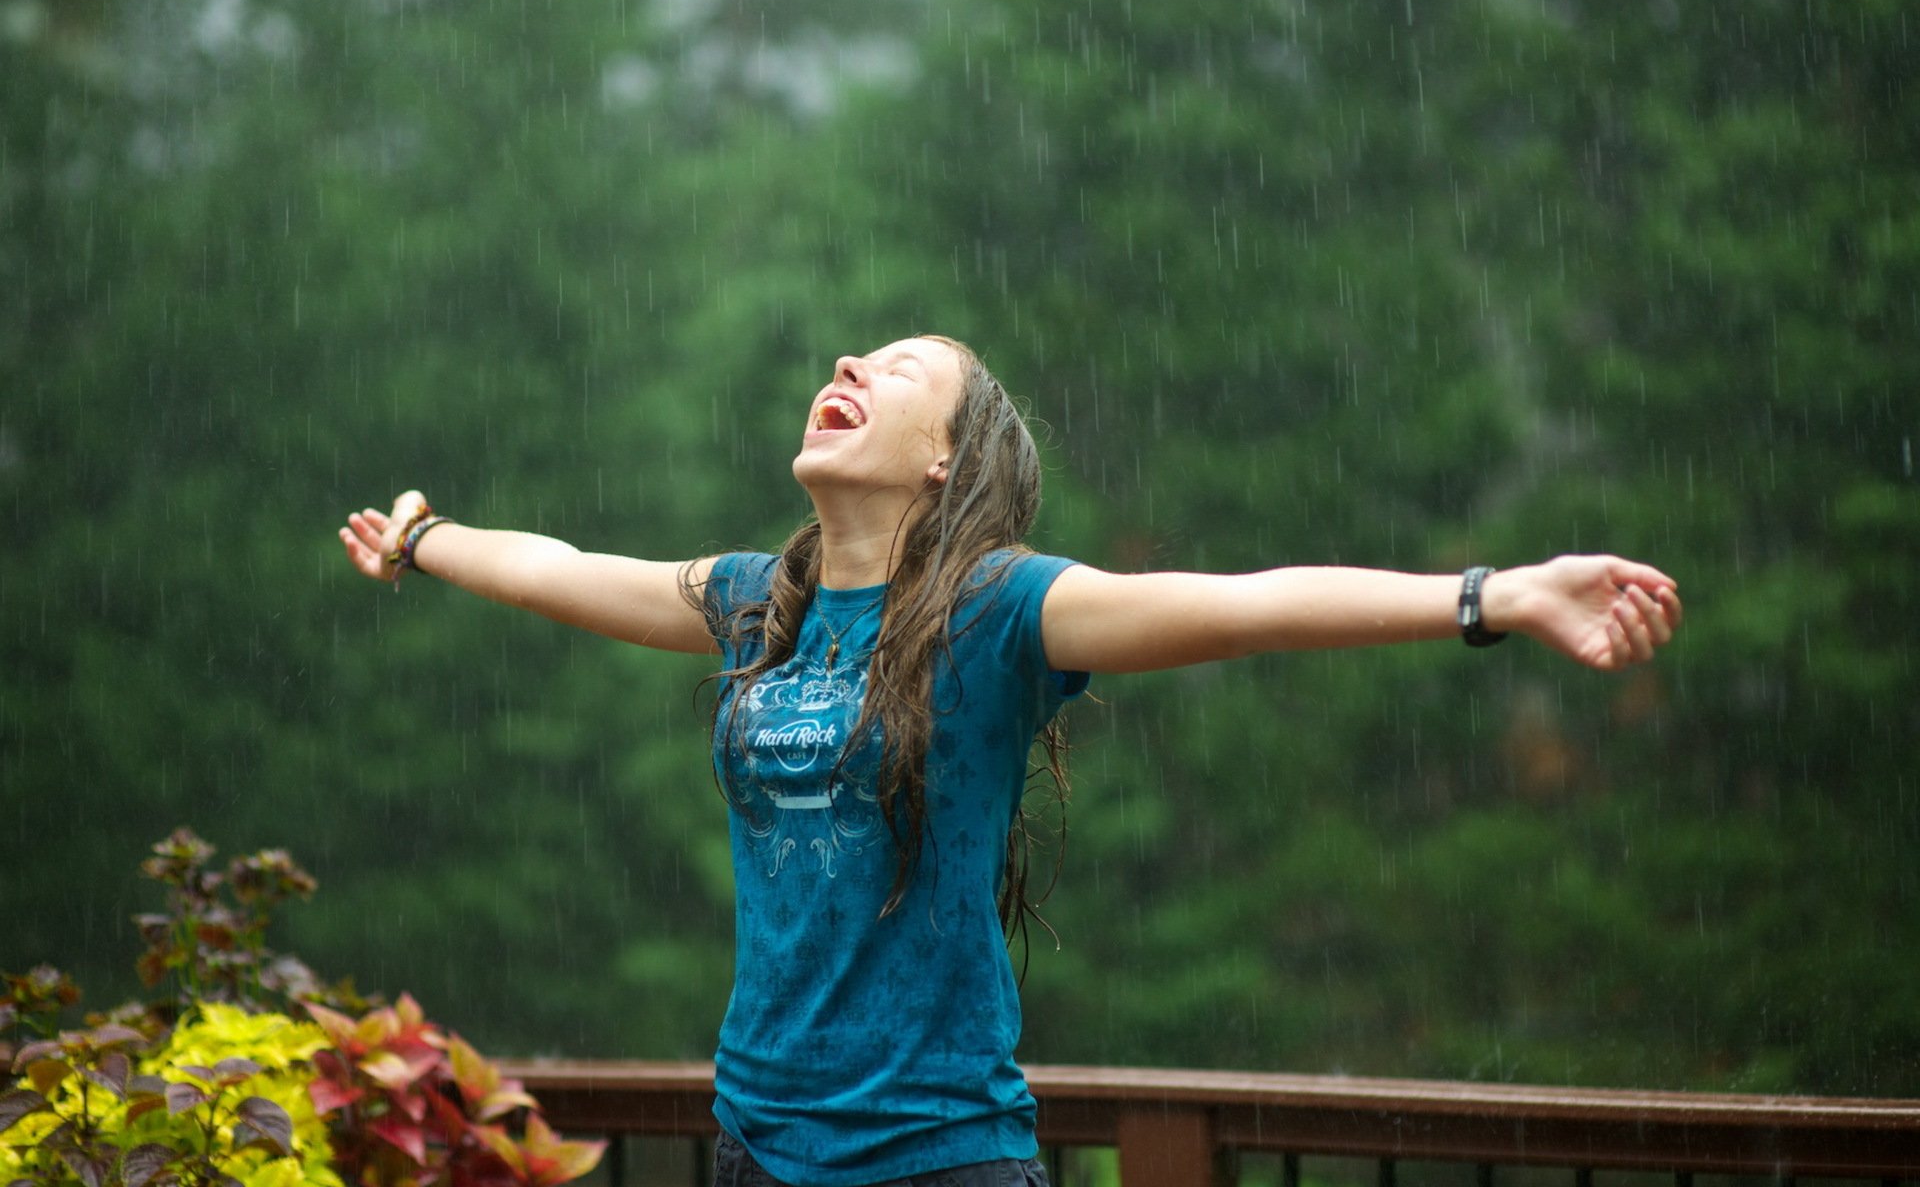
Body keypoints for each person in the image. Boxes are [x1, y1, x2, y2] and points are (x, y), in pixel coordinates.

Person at [338, 334, 1682, 1187]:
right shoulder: (762, 601)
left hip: (935, 1158)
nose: (852, 368)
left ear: (944, 464)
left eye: (901, 370)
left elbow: (1250, 599)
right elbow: (564, 571)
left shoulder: (1002, 613)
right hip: (756, 1139)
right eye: (850, 357)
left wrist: (1493, 596)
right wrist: (424, 540)